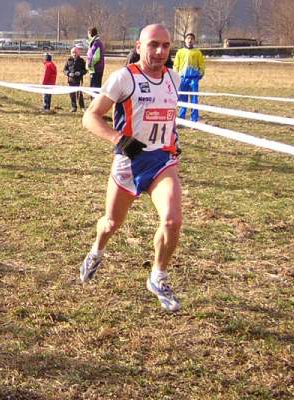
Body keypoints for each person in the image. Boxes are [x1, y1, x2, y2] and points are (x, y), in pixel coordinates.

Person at [79, 23, 183, 313]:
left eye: (165, 45)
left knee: (172, 220)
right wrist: (119, 140)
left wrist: (172, 140)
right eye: (153, 45)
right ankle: (96, 250)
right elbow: (90, 117)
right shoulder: (124, 78)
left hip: (161, 161)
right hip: (129, 163)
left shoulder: (173, 78)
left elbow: (166, 117)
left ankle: (158, 276)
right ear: (139, 47)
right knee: (111, 224)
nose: (160, 51)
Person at [173, 32, 206, 123]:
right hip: (183, 79)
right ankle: (181, 118)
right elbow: (176, 65)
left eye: (191, 39)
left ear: (194, 41)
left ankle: (194, 119)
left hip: (194, 79)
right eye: (188, 38)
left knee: (194, 98)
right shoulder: (180, 52)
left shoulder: (197, 52)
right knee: (182, 98)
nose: (190, 40)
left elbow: (202, 65)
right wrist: (177, 75)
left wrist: (199, 74)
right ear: (185, 40)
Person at [63, 46, 87, 112]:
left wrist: (80, 72)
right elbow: (64, 70)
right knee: (72, 94)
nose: (74, 54)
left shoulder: (81, 61)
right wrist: (68, 73)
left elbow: (85, 70)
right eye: (73, 52)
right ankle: (74, 107)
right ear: (71, 53)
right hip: (71, 80)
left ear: (78, 53)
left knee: (79, 94)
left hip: (79, 80)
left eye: (75, 52)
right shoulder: (68, 60)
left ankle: (82, 107)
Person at [86, 27, 106, 96]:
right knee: (93, 87)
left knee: (95, 87)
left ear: (90, 33)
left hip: (96, 69)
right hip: (94, 69)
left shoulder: (96, 43)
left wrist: (89, 64)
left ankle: (95, 100)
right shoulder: (94, 43)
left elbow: (95, 57)